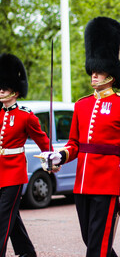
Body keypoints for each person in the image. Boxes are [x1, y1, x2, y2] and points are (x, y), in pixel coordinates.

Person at [41, 17, 120, 257]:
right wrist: (60, 155)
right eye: (93, 71)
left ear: (111, 73)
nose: (94, 76)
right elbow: (75, 145)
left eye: (99, 71)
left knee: (97, 246)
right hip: (82, 183)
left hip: (107, 183)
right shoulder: (81, 105)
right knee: (92, 240)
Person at [0, 53, 51, 257]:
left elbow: (42, 140)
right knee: (12, 216)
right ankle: (27, 252)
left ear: (15, 90)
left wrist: (51, 158)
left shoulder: (25, 116)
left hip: (14, 174)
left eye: (4, 87)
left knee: (3, 218)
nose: (1, 90)